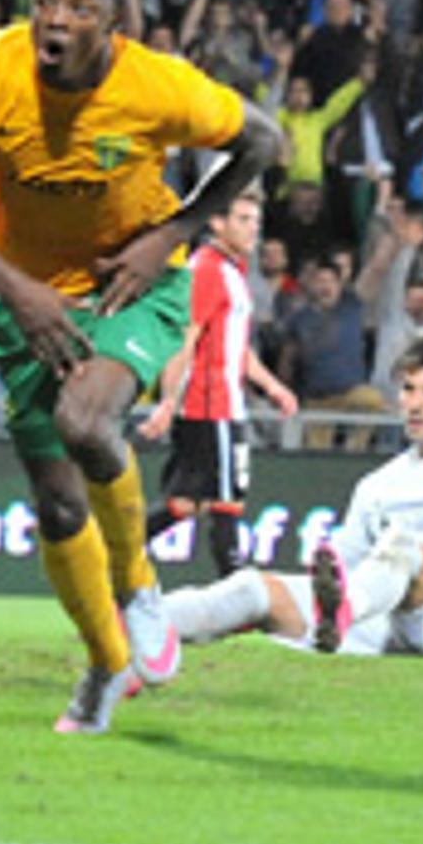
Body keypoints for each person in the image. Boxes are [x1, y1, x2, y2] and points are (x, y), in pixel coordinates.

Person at [0, 0, 285, 733]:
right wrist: (15, 291)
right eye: (45, 0)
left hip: (130, 284)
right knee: (53, 506)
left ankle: (140, 587)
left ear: (113, 24)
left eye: (79, 9)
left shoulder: (157, 87)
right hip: (28, 298)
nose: (54, 20)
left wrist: (172, 233)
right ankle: (106, 662)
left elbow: (263, 142)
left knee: (85, 420)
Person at [159, 332, 423, 659]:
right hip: (383, 621)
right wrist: (298, 600)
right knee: (251, 587)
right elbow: (341, 565)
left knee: (402, 547)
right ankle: (133, 622)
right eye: (408, 389)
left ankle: (340, 614)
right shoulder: (379, 484)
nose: (416, 404)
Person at [139, 188, 297, 582]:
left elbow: (234, 348)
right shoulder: (208, 270)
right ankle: (236, 584)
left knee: (186, 503)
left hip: (221, 402)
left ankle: (115, 552)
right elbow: (185, 340)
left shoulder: (230, 270)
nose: (252, 231)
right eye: (242, 220)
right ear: (217, 222)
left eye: (255, 222)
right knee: (229, 497)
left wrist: (272, 387)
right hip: (211, 405)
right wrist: (168, 401)